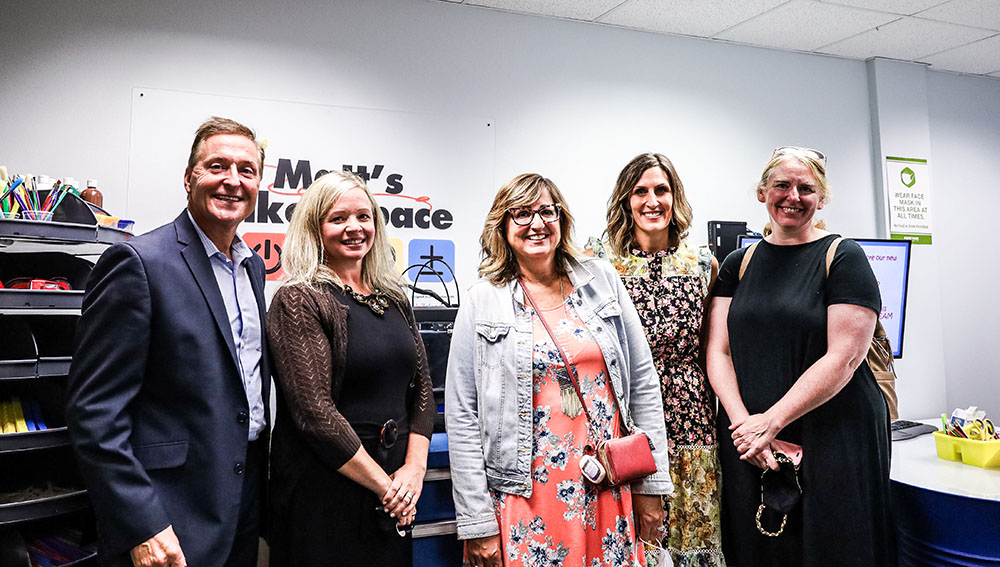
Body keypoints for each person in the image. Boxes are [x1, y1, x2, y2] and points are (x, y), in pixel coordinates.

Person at [66, 116, 270, 567]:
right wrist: (142, 522)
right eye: (217, 166)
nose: (232, 181)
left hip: (240, 504)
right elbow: (95, 413)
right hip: (169, 513)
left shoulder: (252, 267)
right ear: (188, 177)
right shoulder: (138, 262)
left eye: (246, 170)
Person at [445, 173, 672, 567]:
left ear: (561, 219)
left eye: (546, 211)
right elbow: (462, 415)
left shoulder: (601, 281)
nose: (537, 224)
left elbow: (644, 382)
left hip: (606, 483)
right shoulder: (483, 302)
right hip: (525, 495)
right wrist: (477, 522)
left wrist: (651, 485)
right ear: (503, 225)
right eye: (521, 214)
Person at [705, 147, 890, 566]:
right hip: (750, 438)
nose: (793, 196)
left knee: (830, 546)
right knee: (760, 546)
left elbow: (845, 357)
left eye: (806, 188)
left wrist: (771, 422)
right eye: (782, 185)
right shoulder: (739, 262)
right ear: (761, 193)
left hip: (831, 432)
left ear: (821, 199)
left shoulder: (843, 257)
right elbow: (717, 350)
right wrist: (744, 428)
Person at [265, 170, 434, 566]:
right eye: (338, 218)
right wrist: (387, 488)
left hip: (394, 487)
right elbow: (314, 415)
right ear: (314, 227)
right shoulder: (299, 300)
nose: (354, 227)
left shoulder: (394, 298)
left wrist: (413, 471)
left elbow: (423, 389)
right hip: (328, 488)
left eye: (363, 216)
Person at [588, 153, 725, 566]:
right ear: (625, 201)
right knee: (630, 537)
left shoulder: (702, 263)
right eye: (640, 191)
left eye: (661, 190)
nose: (652, 201)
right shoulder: (598, 262)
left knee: (693, 531)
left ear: (674, 196)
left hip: (692, 417)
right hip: (627, 419)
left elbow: (713, 347)